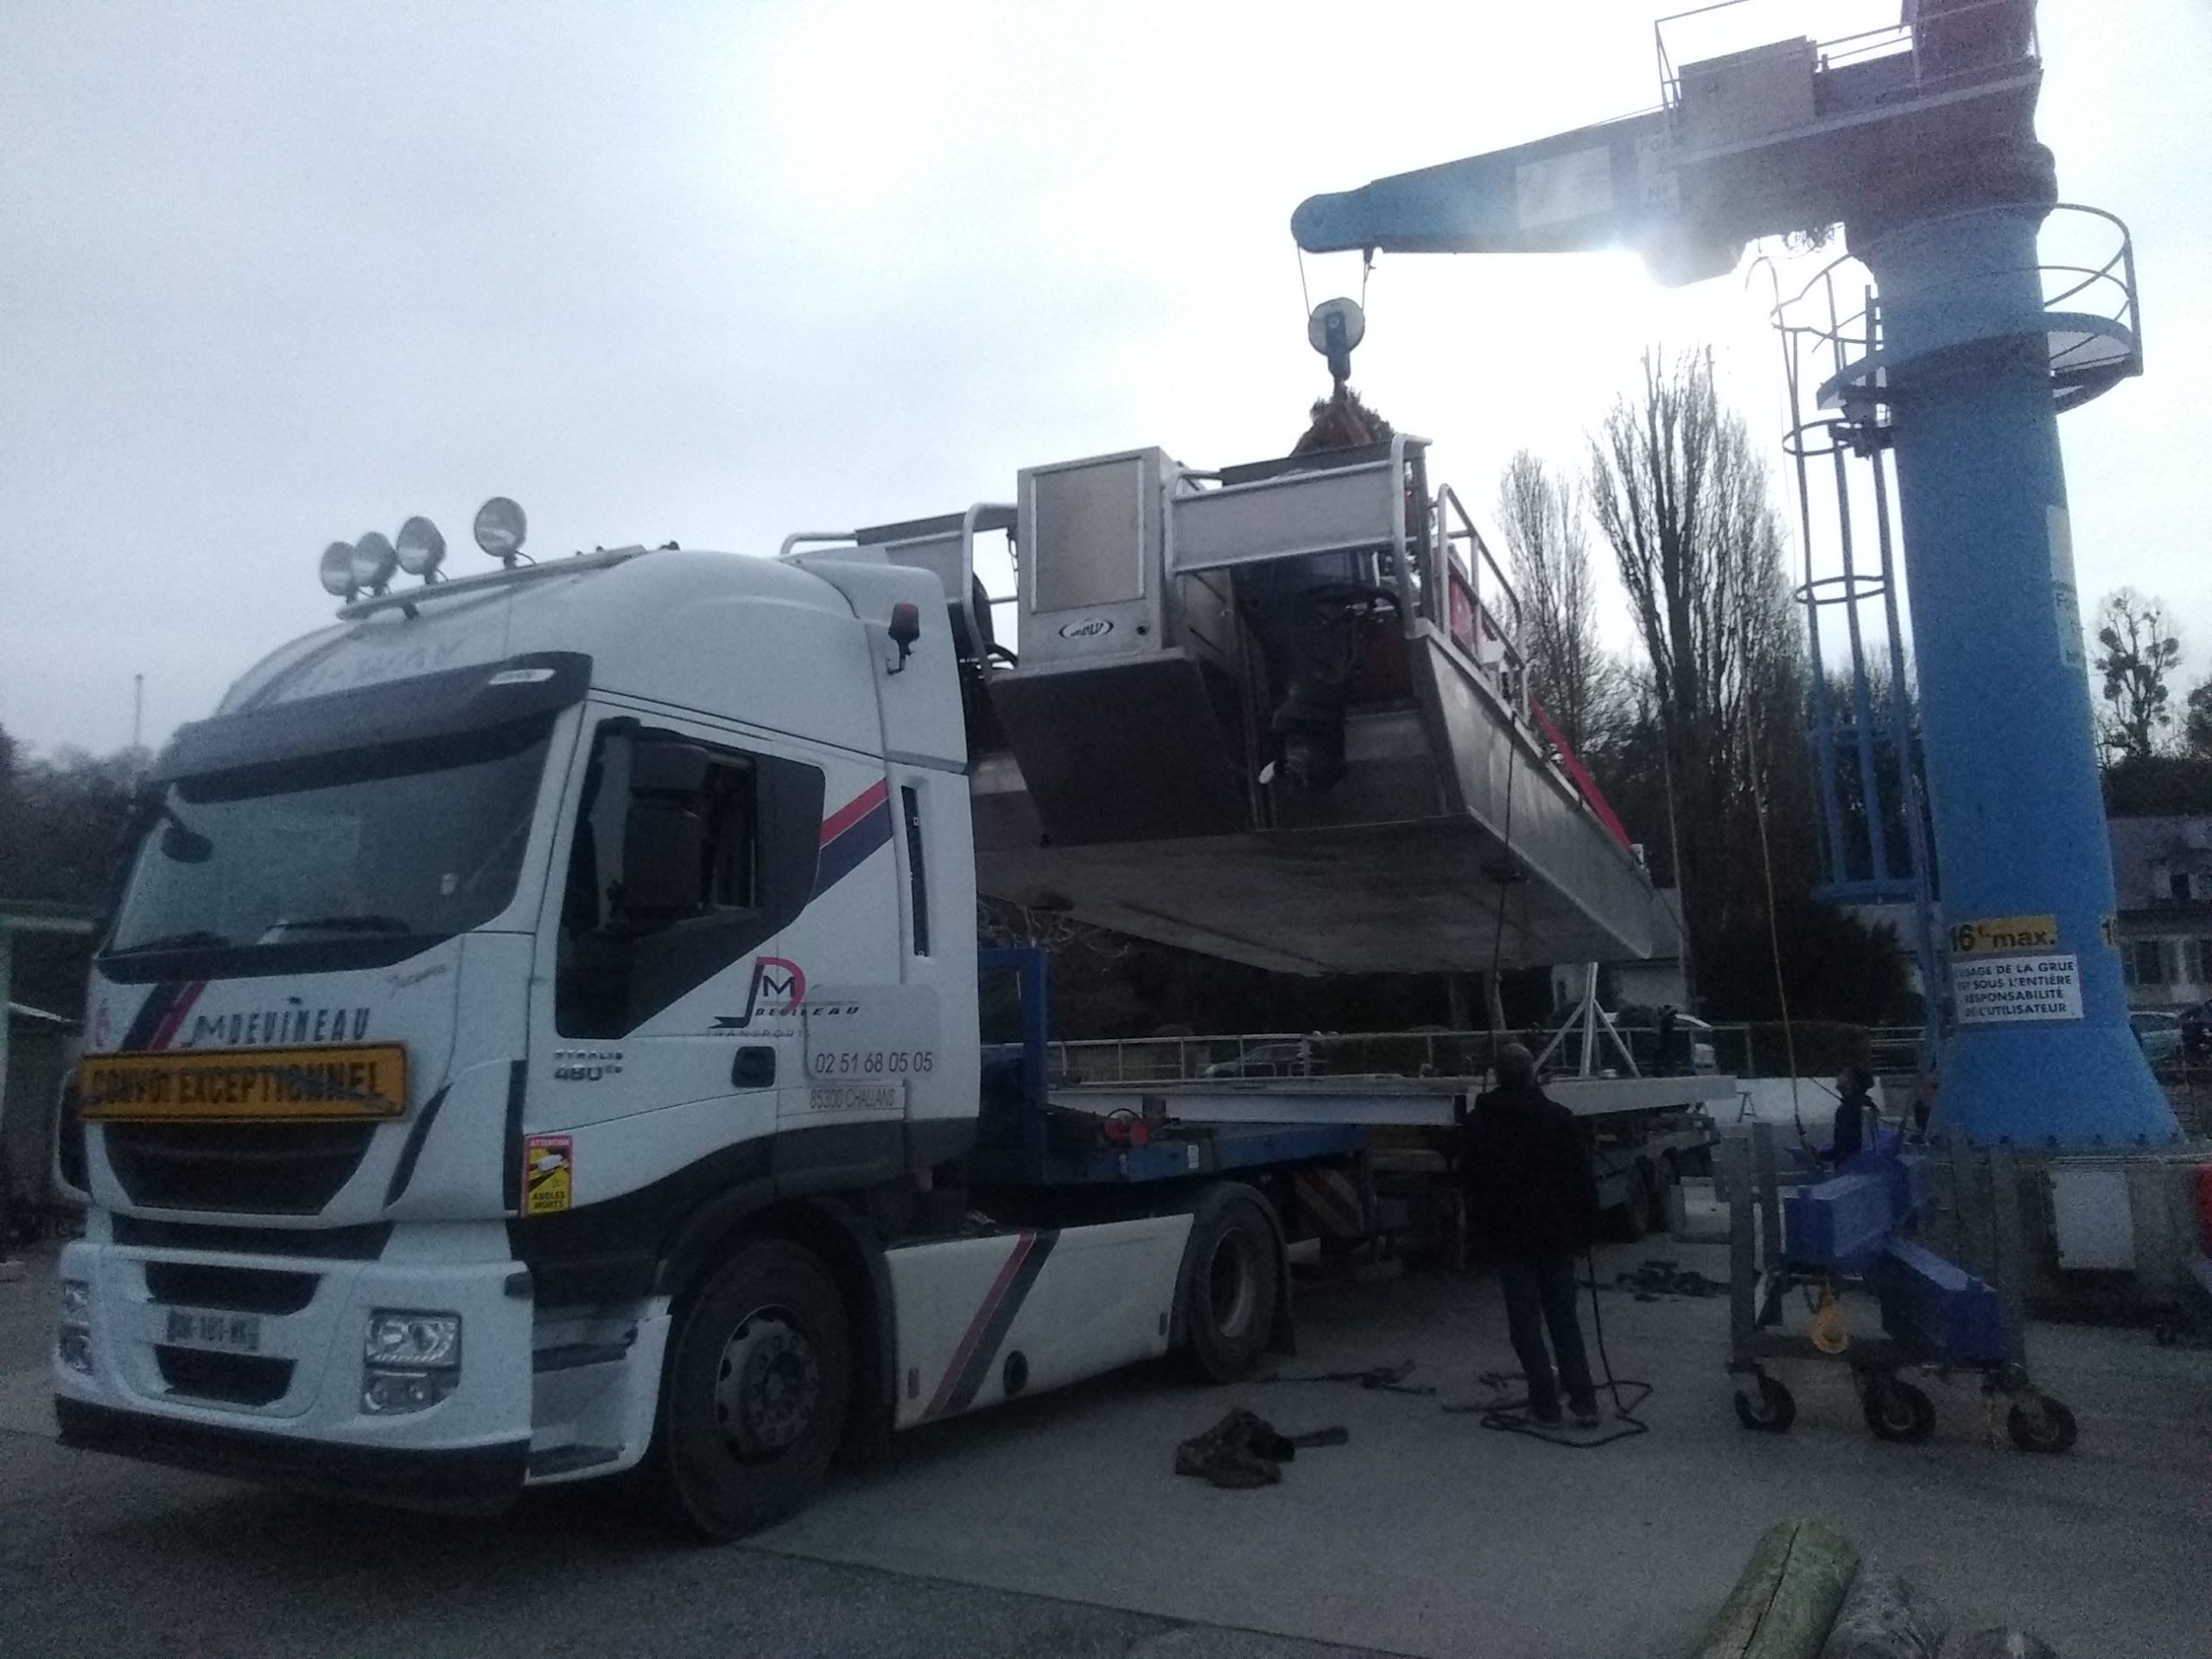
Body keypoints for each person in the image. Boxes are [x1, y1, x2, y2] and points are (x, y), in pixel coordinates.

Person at [1460, 1043, 1601, 1427]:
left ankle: (1545, 1405)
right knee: (1564, 1321)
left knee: (1525, 1326)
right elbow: (1582, 1180)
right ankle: (1584, 1402)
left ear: (1497, 1075)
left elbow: (1470, 1181)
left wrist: (1481, 1228)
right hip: (1556, 1237)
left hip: (1511, 1239)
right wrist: (1587, 1229)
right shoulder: (1559, 1119)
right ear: (1532, 1075)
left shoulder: (1479, 1124)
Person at [1830, 1064, 1878, 1165]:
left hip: (1850, 1166)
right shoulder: (1868, 1104)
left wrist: (1819, 1156)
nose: (1838, 1077)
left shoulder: (1847, 1110)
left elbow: (1843, 1147)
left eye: (1843, 1074)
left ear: (1851, 1084)